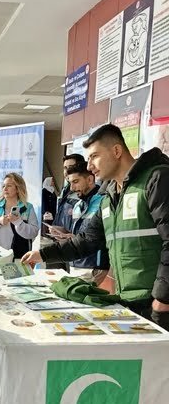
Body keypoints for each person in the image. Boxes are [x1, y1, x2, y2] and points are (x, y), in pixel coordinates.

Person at [24, 123, 169, 320]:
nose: (90, 166)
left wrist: (163, 298)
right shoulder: (109, 197)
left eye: (94, 156)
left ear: (116, 151)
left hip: (158, 304)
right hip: (130, 300)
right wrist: (42, 254)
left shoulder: (157, 180)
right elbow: (86, 241)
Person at [49, 167, 107, 278]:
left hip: (94, 265)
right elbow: (76, 233)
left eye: (76, 182)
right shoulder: (77, 205)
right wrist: (63, 233)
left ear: (90, 179)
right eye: (70, 183)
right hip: (75, 263)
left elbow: (104, 235)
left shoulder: (103, 201)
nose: (72, 188)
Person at [0, 173, 41, 259]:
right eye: (3, 186)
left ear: (17, 189)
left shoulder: (27, 208)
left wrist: (19, 223)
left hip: (20, 257)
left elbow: (34, 232)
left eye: (9, 186)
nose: (5, 189)